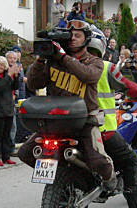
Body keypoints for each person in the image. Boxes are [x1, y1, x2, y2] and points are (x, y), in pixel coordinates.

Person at [18, 20, 116, 190]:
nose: (73, 39)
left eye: (77, 36)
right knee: (25, 153)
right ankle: (62, 177)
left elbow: (88, 76)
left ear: (87, 39)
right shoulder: (53, 62)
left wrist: (64, 57)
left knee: (98, 161)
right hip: (57, 119)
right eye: (70, 36)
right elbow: (33, 84)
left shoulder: (94, 61)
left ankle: (110, 180)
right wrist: (41, 60)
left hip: (84, 119)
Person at [87, 26, 137, 208]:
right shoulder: (106, 67)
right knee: (130, 162)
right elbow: (126, 85)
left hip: (73, 128)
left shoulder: (72, 66)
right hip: (103, 130)